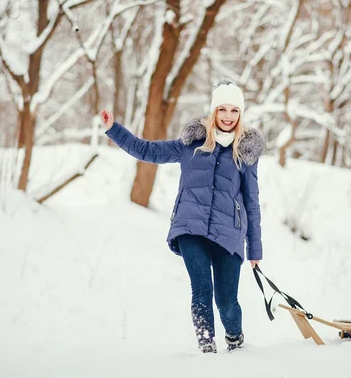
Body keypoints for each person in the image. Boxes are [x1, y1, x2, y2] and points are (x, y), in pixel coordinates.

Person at [100, 79, 265, 353]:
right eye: (222, 109)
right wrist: (113, 129)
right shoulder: (191, 145)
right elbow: (146, 150)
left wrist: (255, 247)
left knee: (226, 301)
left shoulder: (245, 152)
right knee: (201, 289)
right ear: (213, 111)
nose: (227, 116)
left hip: (228, 233)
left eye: (234, 110)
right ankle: (206, 346)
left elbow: (251, 201)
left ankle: (235, 338)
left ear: (241, 113)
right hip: (191, 228)